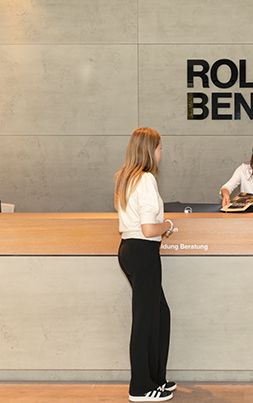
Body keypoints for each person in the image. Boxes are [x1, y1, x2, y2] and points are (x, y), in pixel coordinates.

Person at [114, 127, 177, 402]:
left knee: (158, 313)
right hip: (143, 251)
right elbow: (150, 228)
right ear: (150, 150)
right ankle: (140, 386)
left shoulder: (126, 177)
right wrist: (169, 224)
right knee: (146, 319)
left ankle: (155, 378)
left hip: (129, 250)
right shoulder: (147, 178)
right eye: (160, 147)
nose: (162, 152)